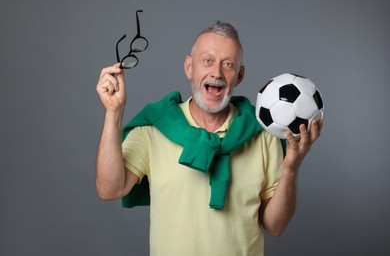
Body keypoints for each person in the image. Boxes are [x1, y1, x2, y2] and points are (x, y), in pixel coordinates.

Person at [96, 21, 323, 256]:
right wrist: (114, 113)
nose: (216, 72)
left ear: (239, 76)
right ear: (188, 67)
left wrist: (292, 167)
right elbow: (109, 189)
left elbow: (275, 226)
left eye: (228, 64)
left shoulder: (262, 135)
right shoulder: (155, 130)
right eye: (207, 61)